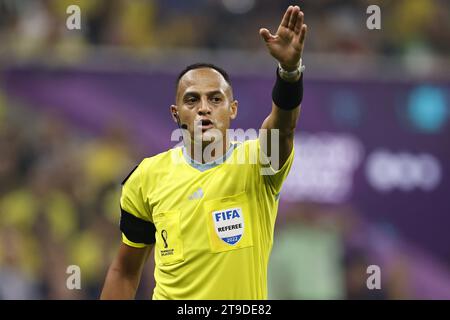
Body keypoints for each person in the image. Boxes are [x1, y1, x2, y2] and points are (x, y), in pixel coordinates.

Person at [101, 5, 308, 300]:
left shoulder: (260, 164)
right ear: (176, 114)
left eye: (215, 99)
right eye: (192, 100)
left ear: (232, 110)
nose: (203, 108)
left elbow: (284, 126)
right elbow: (124, 270)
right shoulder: (146, 177)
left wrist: (289, 73)